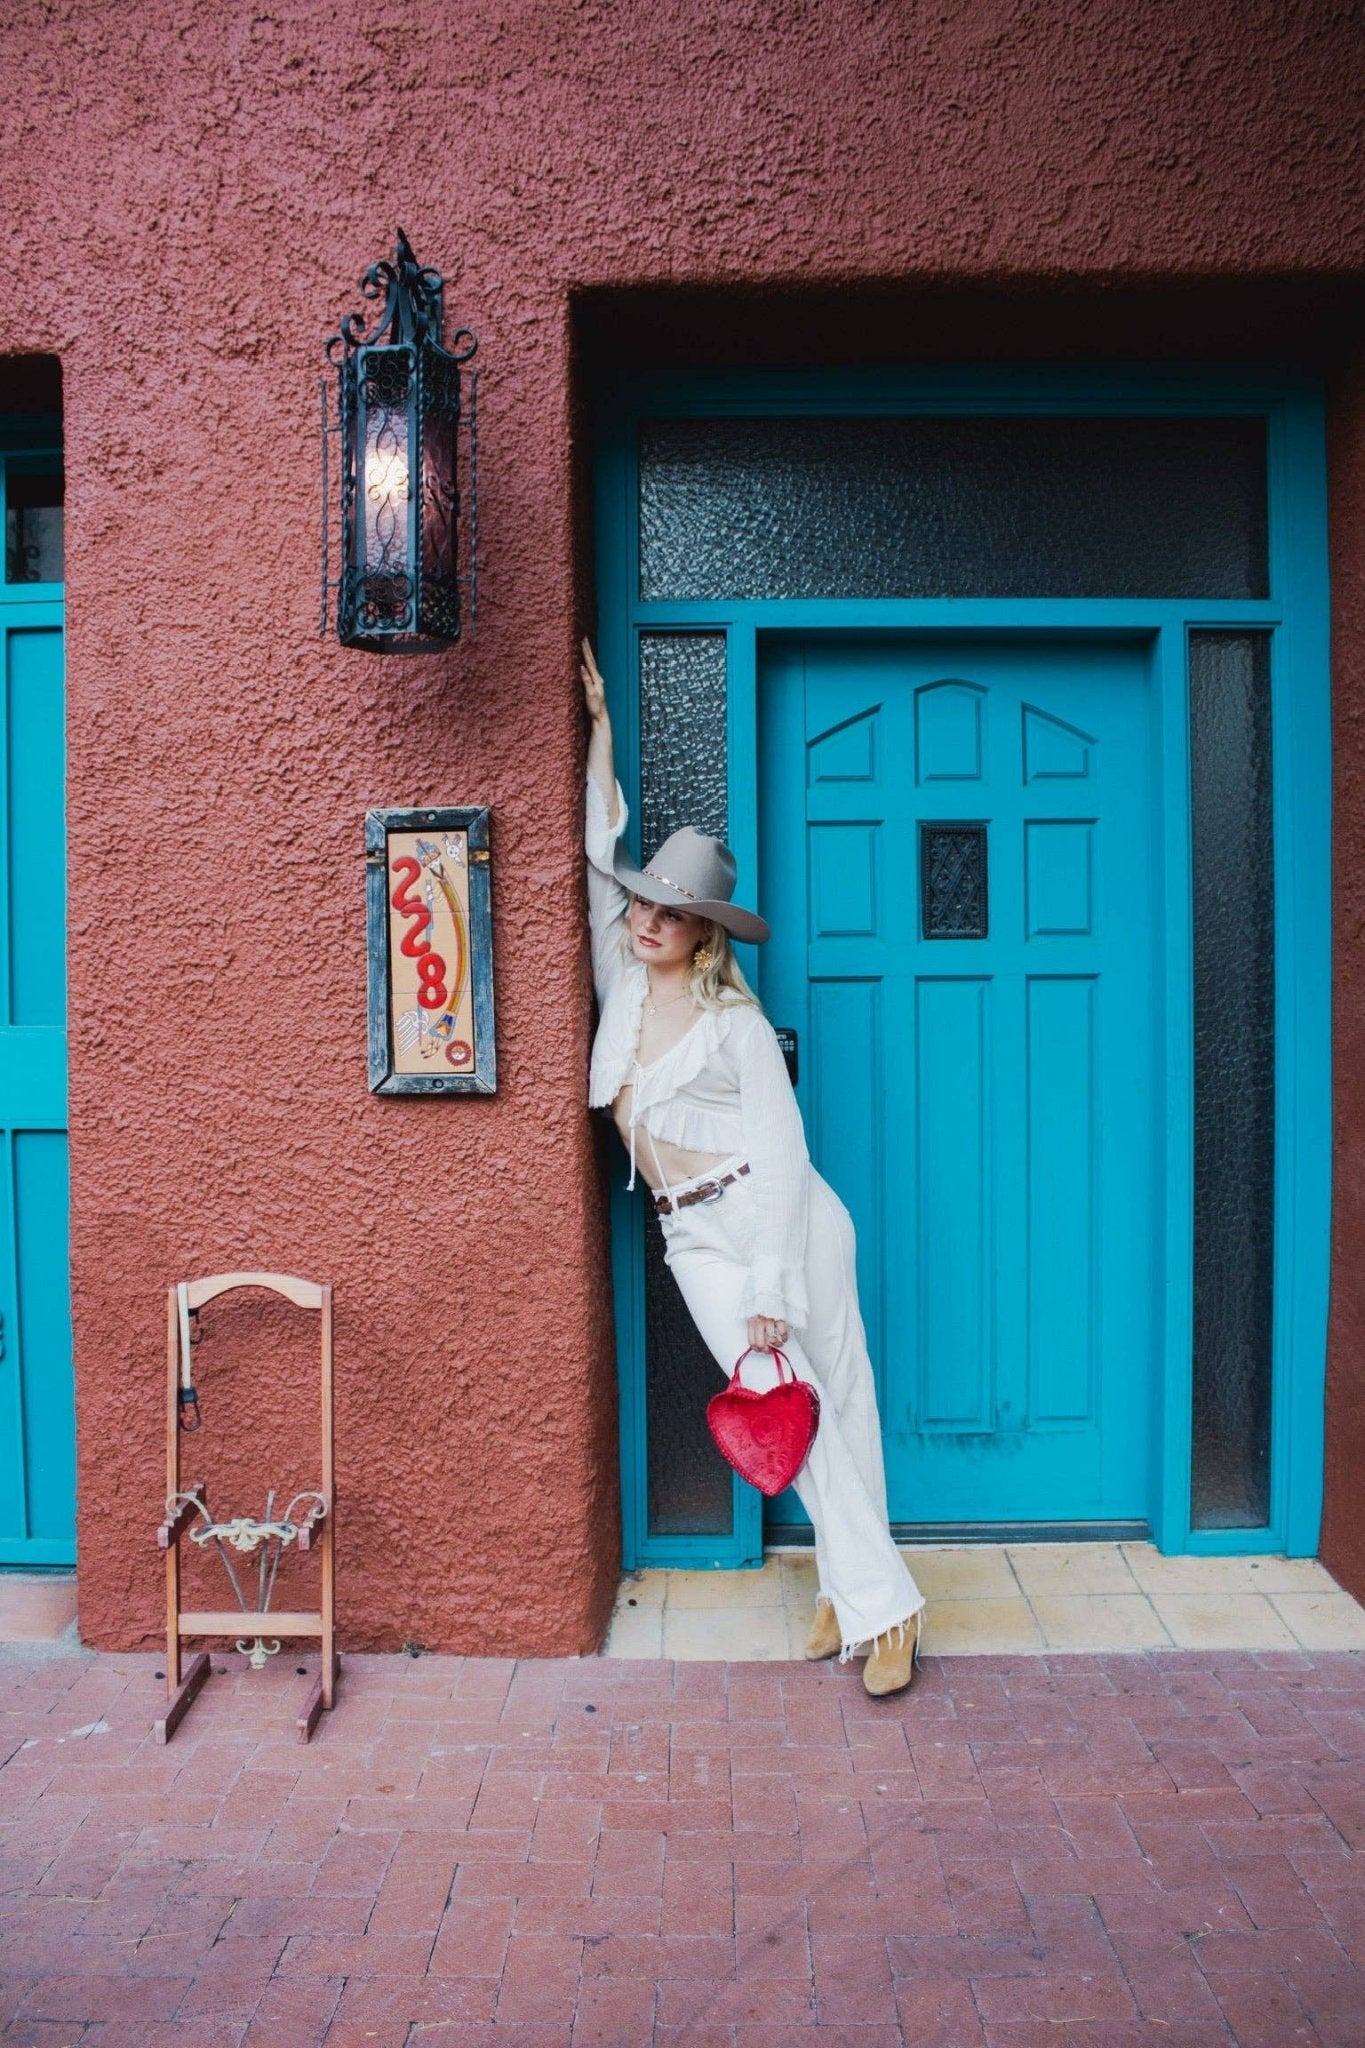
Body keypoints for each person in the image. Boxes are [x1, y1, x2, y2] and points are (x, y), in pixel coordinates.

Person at [581, 640, 925, 1696]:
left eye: (670, 911)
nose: (646, 920)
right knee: (795, 1401)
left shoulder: (735, 1022)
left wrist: (771, 1283)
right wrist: (599, 734)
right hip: (692, 1232)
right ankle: (865, 1590)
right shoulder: (624, 983)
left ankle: (875, 1604)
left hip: (780, 1221)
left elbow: (783, 1154)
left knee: (833, 1398)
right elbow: (600, 855)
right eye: (645, 904)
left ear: (704, 931)